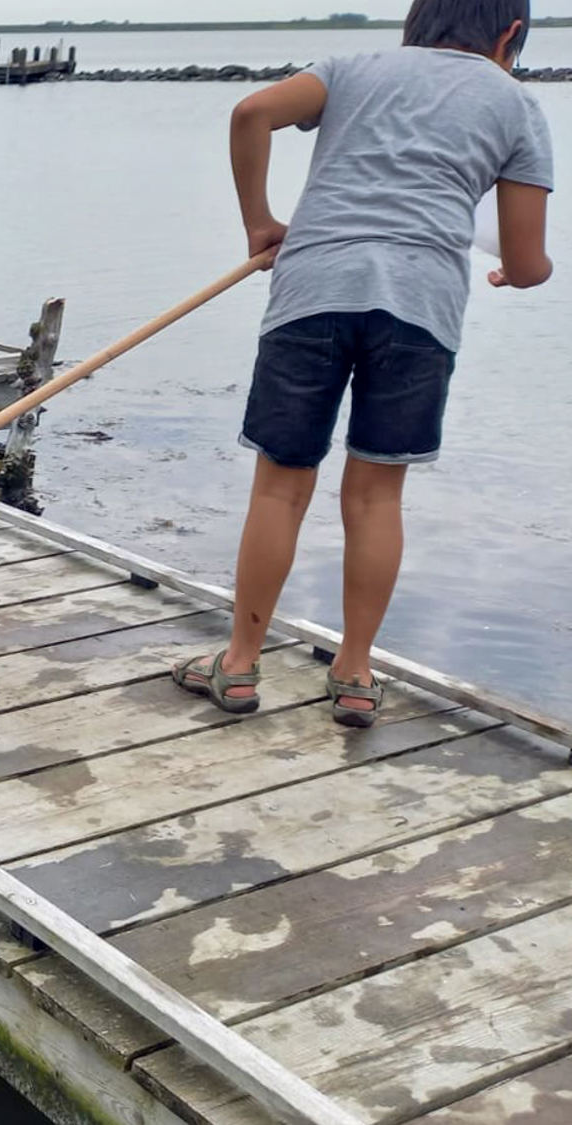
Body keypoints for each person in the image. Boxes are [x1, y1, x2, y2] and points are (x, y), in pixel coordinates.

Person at [173, 0, 552, 727]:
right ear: (509, 35)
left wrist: (259, 220)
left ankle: (242, 664)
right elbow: (526, 257)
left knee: (281, 487)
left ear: (417, 21)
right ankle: (352, 672)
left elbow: (252, 111)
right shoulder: (515, 103)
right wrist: (523, 274)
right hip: (418, 308)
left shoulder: (354, 67)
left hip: (313, 291)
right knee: (377, 495)